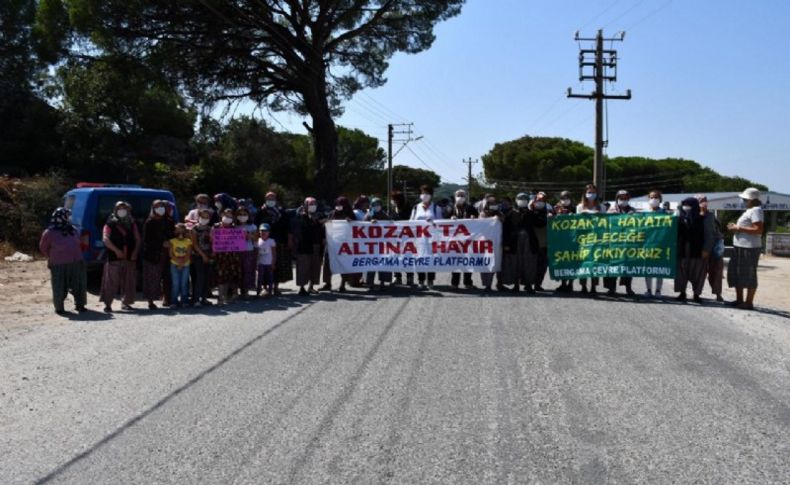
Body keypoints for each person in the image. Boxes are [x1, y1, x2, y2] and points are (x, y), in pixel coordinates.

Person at [39, 207, 87, 315]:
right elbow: (43, 248)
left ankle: (80, 305)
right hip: (58, 264)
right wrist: (52, 256)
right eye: (67, 216)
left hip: (77, 261)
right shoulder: (49, 232)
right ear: (60, 217)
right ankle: (59, 307)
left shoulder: (72, 229)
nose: (69, 218)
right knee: (59, 285)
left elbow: (79, 243)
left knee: (79, 284)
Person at [726, 187, 764, 310]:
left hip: (749, 247)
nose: (742, 200)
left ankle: (748, 303)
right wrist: (736, 227)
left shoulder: (756, 210)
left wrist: (738, 228)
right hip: (740, 246)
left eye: (744, 199)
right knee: (737, 273)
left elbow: (758, 229)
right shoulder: (750, 210)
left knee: (749, 274)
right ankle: (739, 300)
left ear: (751, 200)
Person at [100, 201, 141, 313]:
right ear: (115, 210)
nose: (122, 210)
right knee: (111, 281)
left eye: (124, 208)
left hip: (129, 257)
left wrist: (135, 252)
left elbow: (137, 239)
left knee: (129, 281)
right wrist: (116, 250)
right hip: (114, 257)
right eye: (119, 208)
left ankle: (126, 302)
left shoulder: (132, 224)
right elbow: (105, 239)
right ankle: (108, 304)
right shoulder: (110, 224)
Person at [501, 192, 538, 294]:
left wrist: (543, 211)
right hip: (514, 242)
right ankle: (516, 285)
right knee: (515, 263)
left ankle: (529, 285)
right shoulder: (510, 213)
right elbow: (506, 230)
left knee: (529, 263)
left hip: (529, 242)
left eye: (525, 199)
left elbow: (540, 223)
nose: (522, 200)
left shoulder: (531, 213)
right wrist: (506, 244)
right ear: (516, 200)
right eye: (520, 198)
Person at [674, 197, 709, 303]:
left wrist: (706, 249)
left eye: (688, 205)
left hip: (697, 249)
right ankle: (682, 293)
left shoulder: (702, 218)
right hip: (682, 248)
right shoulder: (679, 216)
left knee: (697, 273)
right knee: (681, 271)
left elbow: (708, 234)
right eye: (684, 204)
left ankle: (696, 294)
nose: (686, 207)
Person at [256, 191, 292, 294]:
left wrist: (289, 240)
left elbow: (288, 227)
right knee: (264, 264)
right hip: (264, 243)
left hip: (279, 241)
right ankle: (265, 287)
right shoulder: (261, 211)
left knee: (277, 265)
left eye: (272, 198)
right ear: (265, 199)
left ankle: (276, 287)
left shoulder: (281, 211)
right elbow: (256, 226)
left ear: (276, 200)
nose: (270, 201)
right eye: (268, 199)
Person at [603, 189, 636, 296]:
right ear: (617, 199)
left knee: (627, 266)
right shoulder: (611, 210)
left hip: (627, 243)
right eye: (621, 198)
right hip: (612, 243)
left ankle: (628, 288)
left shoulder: (632, 211)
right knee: (612, 266)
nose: (623, 200)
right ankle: (611, 288)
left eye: (626, 198)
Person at [410, 185, 443, 290]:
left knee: (431, 259)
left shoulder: (435, 208)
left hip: (432, 239)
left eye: (427, 193)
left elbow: (441, 223)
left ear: (431, 195)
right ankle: (420, 280)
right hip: (419, 239)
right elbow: (410, 222)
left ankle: (430, 280)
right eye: (423, 193)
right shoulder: (416, 207)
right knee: (420, 259)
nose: (424, 195)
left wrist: (433, 223)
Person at [142, 200, 173, 309]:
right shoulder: (149, 222)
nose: (160, 208)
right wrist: (161, 243)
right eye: (157, 206)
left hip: (168, 253)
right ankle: (151, 301)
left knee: (168, 277)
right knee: (152, 278)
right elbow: (146, 240)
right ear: (153, 208)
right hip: (153, 254)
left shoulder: (169, 221)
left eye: (162, 206)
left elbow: (173, 234)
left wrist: (169, 242)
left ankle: (167, 298)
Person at [291, 197, 325, 296]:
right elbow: (299, 229)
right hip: (303, 245)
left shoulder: (319, 215)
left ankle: (311, 286)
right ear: (305, 205)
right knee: (303, 267)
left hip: (316, 244)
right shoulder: (299, 215)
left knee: (315, 266)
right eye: (310, 204)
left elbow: (321, 228)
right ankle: (302, 288)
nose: (313, 206)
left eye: (314, 204)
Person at [323, 197, 357, 292]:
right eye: (337, 204)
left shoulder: (350, 215)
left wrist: (350, 222)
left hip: (344, 244)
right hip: (331, 243)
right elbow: (326, 225)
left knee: (343, 263)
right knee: (327, 263)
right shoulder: (332, 213)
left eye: (341, 204)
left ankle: (342, 284)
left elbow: (356, 228)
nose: (338, 206)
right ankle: (327, 283)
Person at [576, 184, 604, 294]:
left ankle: (593, 286)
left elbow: (606, 223)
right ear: (585, 193)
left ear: (596, 194)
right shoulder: (579, 207)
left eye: (593, 192)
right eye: (589, 192)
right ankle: (583, 286)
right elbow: (576, 222)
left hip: (597, 238)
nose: (591, 194)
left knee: (595, 262)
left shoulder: (601, 207)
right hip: (583, 238)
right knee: (584, 262)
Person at [449, 188, 479, 289]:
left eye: (462, 195)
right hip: (454, 241)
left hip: (468, 241)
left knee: (468, 261)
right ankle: (454, 283)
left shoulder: (471, 208)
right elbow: (443, 221)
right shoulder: (450, 208)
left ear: (465, 197)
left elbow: (479, 220)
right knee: (455, 262)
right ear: (454, 197)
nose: (460, 197)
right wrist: (450, 219)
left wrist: (474, 217)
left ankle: (468, 282)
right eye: (458, 195)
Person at [212, 208, 242, 305]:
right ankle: (221, 297)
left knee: (231, 276)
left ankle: (231, 296)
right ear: (222, 215)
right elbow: (211, 239)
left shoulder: (235, 228)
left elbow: (239, 242)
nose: (228, 218)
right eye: (226, 215)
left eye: (230, 216)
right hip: (220, 256)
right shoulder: (216, 227)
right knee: (221, 276)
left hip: (233, 256)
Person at [698, 194, 725, 302]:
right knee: (700, 271)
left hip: (715, 248)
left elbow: (713, 232)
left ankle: (718, 294)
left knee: (717, 271)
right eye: (700, 200)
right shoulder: (695, 215)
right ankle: (697, 293)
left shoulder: (711, 216)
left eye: (705, 200)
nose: (703, 202)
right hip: (702, 248)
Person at [364, 197, 393, 290]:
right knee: (371, 264)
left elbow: (390, 226)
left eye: (378, 205)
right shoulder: (368, 215)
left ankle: (382, 283)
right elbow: (362, 227)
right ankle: (370, 283)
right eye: (374, 205)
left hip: (382, 244)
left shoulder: (385, 215)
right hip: (371, 245)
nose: (376, 207)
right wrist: (369, 223)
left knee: (383, 264)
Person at [643, 190, 667, 297]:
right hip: (648, 245)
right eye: (652, 197)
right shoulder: (644, 213)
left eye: (656, 197)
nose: (654, 199)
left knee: (659, 269)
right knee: (648, 268)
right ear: (648, 199)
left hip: (660, 245)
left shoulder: (664, 213)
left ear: (660, 199)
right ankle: (648, 290)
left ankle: (658, 290)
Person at [478, 195, 503, 292]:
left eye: (494, 204)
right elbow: (480, 226)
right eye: (491, 204)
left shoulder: (500, 214)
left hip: (498, 242)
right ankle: (487, 285)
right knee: (487, 263)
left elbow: (504, 221)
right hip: (486, 243)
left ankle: (499, 284)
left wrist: (498, 217)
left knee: (499, 263)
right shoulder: (482, 214)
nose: (493, 205)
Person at [190, 208, 214, 306]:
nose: (204, 219)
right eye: (203, 217)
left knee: (207, 277)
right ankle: (196, 299)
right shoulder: (194, 229)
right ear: (198, 217)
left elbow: (213, 242)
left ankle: (204, 298)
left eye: (207, 217)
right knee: (199, 277)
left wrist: (213, 252)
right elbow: (194, 244)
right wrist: (203, 255)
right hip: (198, 255)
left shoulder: (210, 228)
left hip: (209, 255)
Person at [553, 191, 575, 293]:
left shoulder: (575, 208)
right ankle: (563, 283)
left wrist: (574, 216)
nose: (565, 199)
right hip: (560, 239)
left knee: (571, 262)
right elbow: (551, 218)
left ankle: (570, 284)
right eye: (563, 197)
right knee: (562, 261)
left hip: (573, 240)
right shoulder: (556, 208)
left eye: (567, 197)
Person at [389, 190, 413, 286]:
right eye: (392, 199)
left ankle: (410, 277)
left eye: (394, 199)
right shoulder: (392, 210)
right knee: (395, 257)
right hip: (395, 239)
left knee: (407, 257)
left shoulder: (408, 209)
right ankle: (397, 277)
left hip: (407, 238)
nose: (393, 201)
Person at [530, 192, 552, 291]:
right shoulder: (529, 212)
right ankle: (529, 284)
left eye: (542, 200)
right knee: (530, 265)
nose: (540, 202)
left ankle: (538, 284)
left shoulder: (548, 212)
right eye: (538, 200)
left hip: (543, 244)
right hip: (531, 243)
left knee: (542, 266)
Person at [236, 206, 258, 299]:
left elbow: (256, 238)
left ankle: (246, 291)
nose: (242, 216)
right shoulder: (234, 226)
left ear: (248, 216)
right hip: (237, 252)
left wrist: (249, 235)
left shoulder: (253, 226)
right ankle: (237, 290)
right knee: (238, 271)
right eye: (240, 214)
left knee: (248, 271)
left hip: (249, 250)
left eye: (244, 214)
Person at [168, 223, 192, 308]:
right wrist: (178, 262)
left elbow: (188, 254)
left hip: (185, 264)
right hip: (174, 264)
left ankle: (184, 300)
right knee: (175, 283)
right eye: (178, 230)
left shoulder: (188, 241)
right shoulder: (172, 241)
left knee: (184, 283)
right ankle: (174, 301)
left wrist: (182, 263)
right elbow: (171, 254)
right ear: (175, 231)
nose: (180, 232)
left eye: (182, 230)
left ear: (185, 231)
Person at [256, 223, 277, 297]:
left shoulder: (271, 241)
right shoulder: (258, 241)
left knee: (270, 279)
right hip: (261, 263)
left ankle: (270, 292)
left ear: (269, 232)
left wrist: (273, 263)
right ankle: (258, 292)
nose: (263, 232)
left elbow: (274, 253)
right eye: (262, 230)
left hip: (269, 263)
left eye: (265, 231)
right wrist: (257, 263)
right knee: (260, 278)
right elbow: (257, 253)